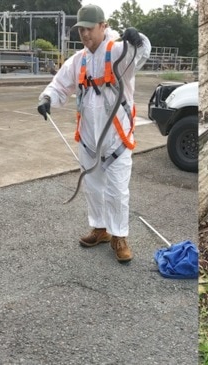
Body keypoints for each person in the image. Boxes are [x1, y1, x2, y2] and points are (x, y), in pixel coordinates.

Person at [37, 4, 151, 263]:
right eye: (81, 30)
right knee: (93, 187)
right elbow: (59, 85)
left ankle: (119, 236)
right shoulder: (78, 61)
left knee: (118, 190)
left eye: (89, 28)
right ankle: (100, 229)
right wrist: (47, 99)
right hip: (89, 140)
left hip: (116, 139)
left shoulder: (119, 52)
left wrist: (138, 37)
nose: (85, 34)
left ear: (103, 26)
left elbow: (143, 51)